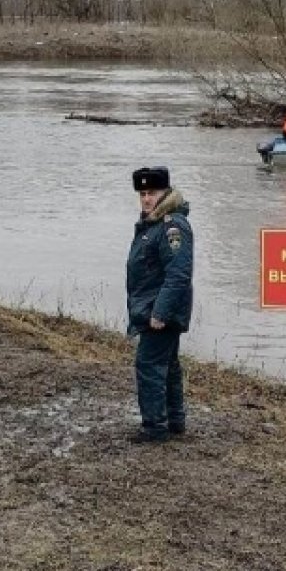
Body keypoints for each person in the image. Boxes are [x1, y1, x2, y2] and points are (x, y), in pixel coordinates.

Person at [126, 166, 194, 444]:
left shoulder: (171, 226)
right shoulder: (153, 224)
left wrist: (160, 313)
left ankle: (154, 427)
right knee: (168, 365)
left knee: (149, 365)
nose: (145, 199)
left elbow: (178, 274)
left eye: (151, 193)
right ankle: (174, 421)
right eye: (142, 193)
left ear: (165, 192)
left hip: (159, 312)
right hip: (153, 308)